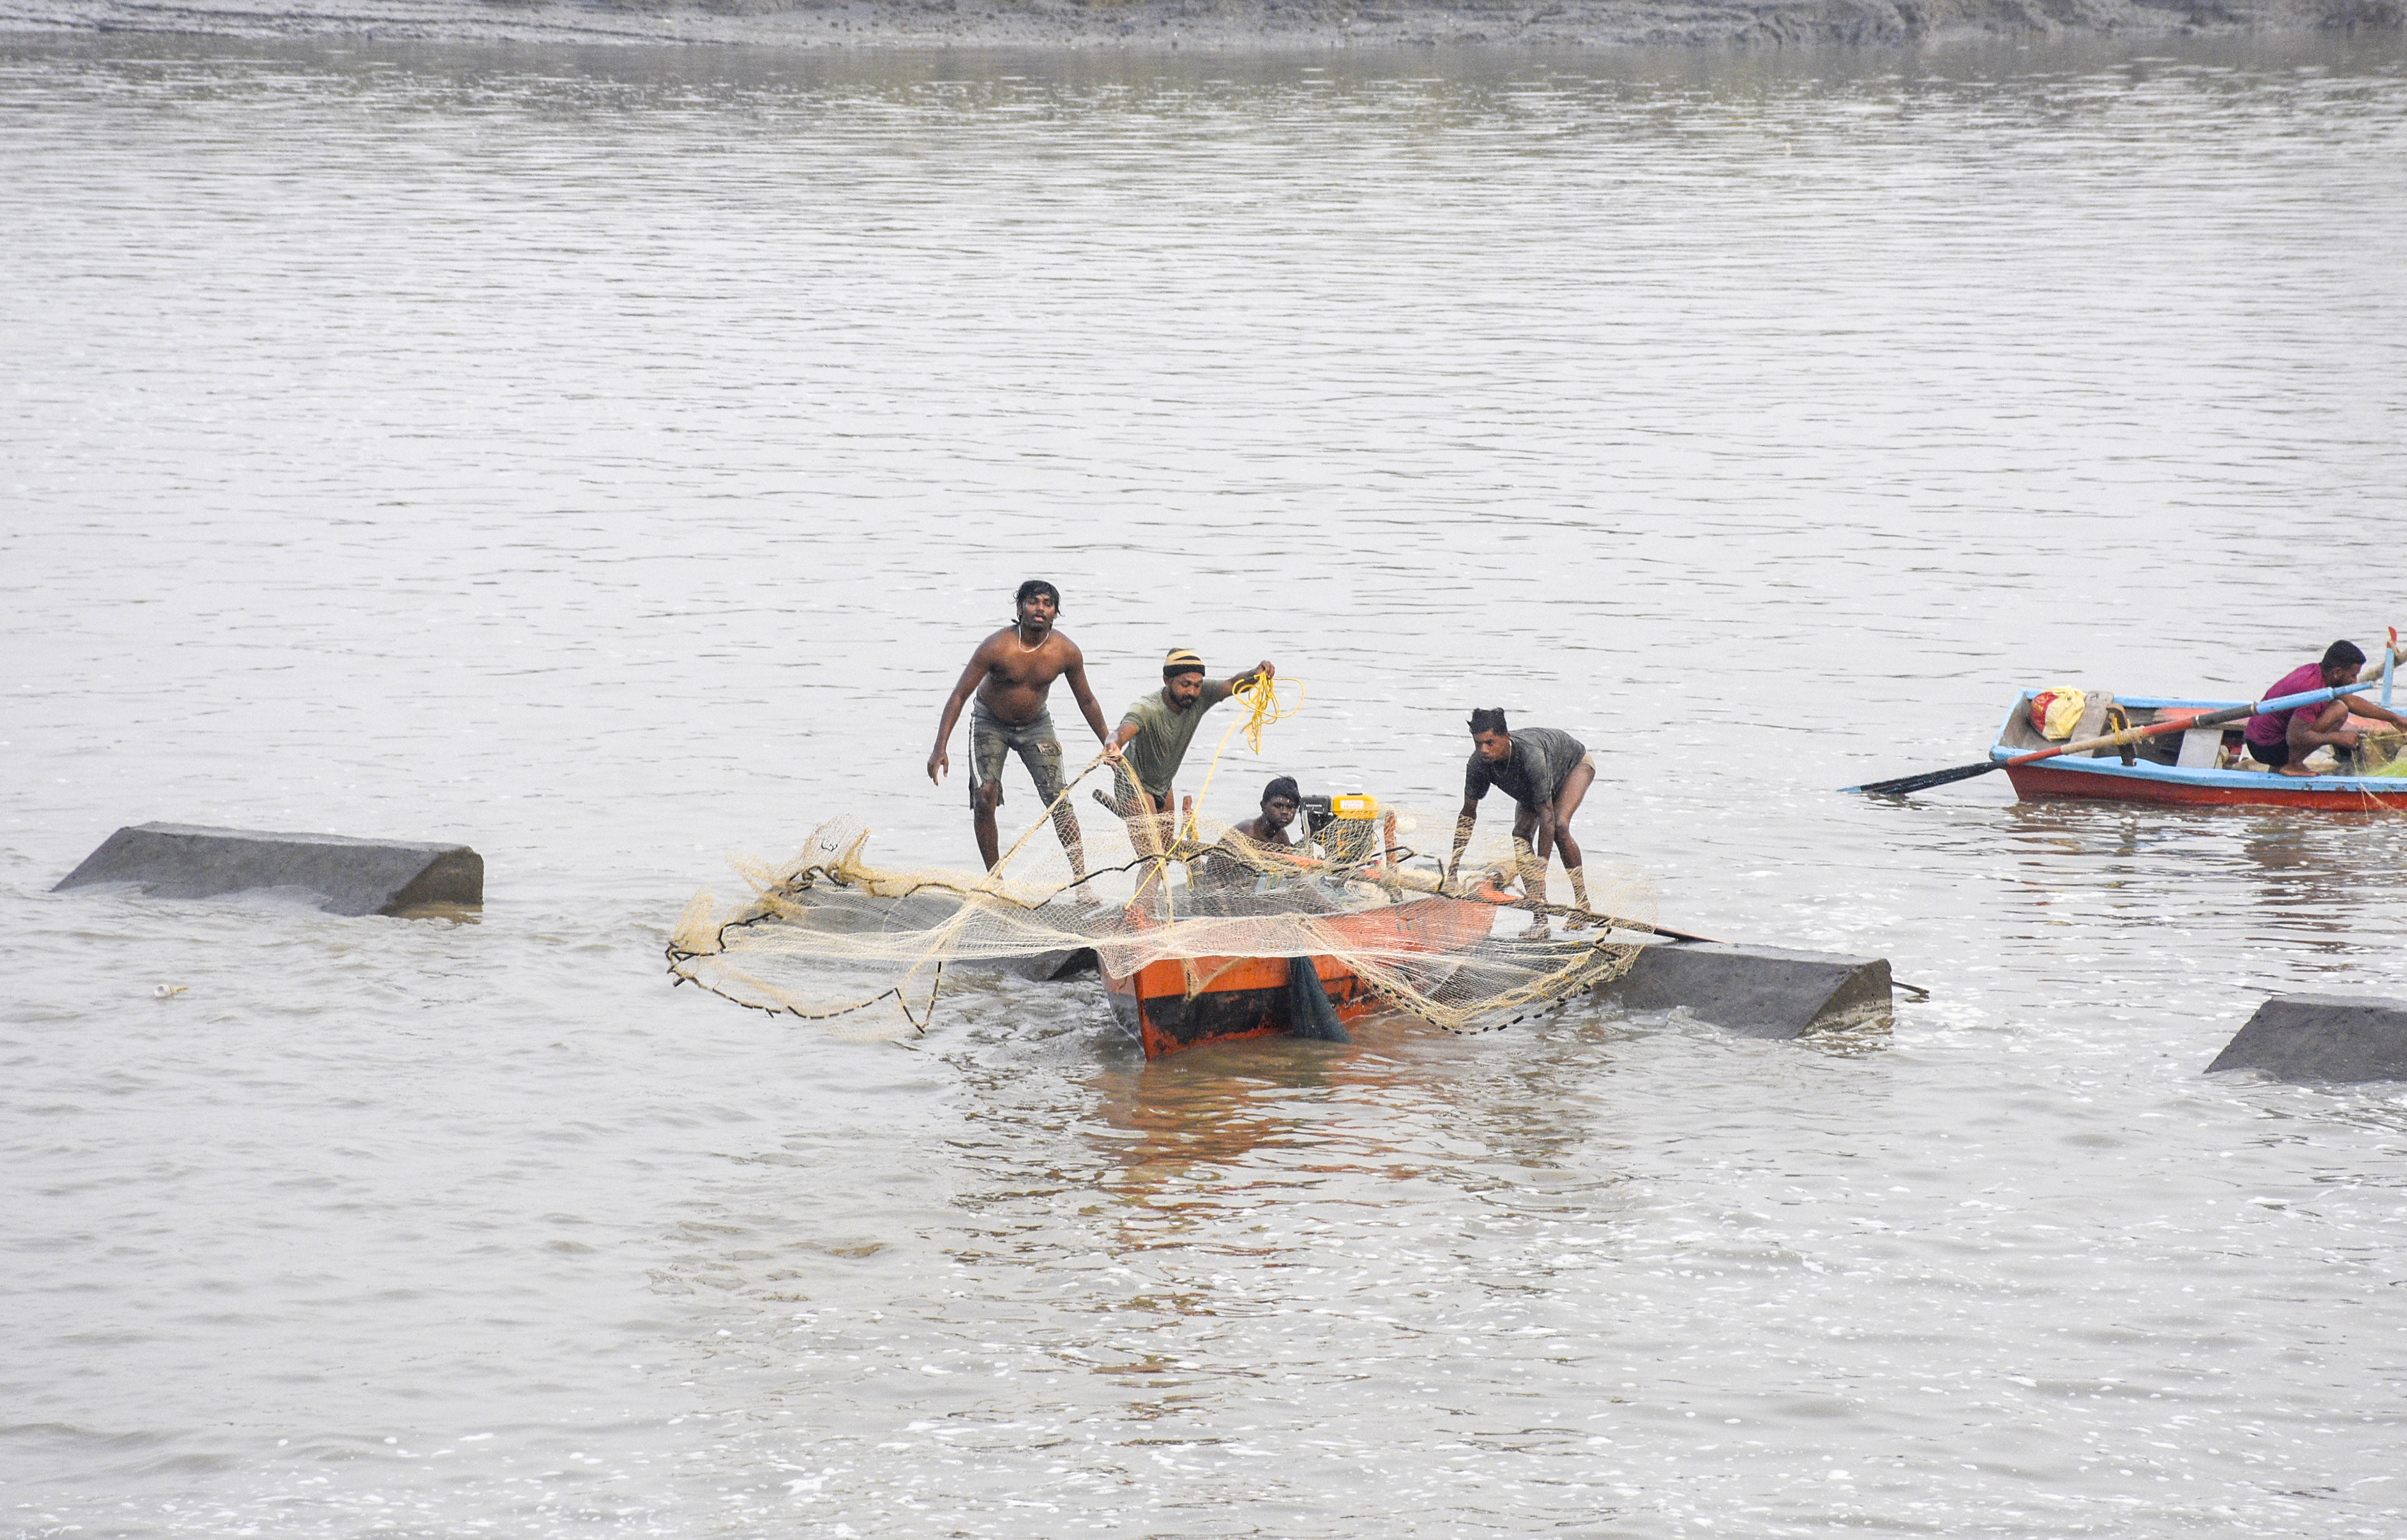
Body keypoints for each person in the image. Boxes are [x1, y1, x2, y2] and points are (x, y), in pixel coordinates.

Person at [927, 579, 1117, 875]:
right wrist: (940, 747)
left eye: (1048, 604)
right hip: (990, 722)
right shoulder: (997, 646)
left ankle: (1082, 879)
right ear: (1020, 609)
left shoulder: (1066, 652)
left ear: (1055, 613)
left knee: (1058, 798)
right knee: (984, 797)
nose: (1040, 609)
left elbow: (1087, 701)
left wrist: (1108, 741)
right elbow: (959, 695)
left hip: (1036, 725)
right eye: (1033, 602)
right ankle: (995, 878)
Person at [1447, 708, 1595, 938]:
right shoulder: (1478, 764)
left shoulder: (1531, 756)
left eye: (1490, 743)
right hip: (1533, 786)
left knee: (1560, 826)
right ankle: (1540, 918)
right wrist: (1452, 872)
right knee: (1521, 834)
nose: (1483, 750)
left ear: (1505, 738)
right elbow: (1468, 814)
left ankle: (1582, 906)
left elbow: (1547, 818)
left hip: (1572, 767)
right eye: (1478, 744)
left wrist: (1541, 869)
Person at [1107, 650, 1276, 818]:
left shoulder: (1201, 697)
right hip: (1134, 784)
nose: (1192, 692)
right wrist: (1114, 745)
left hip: (1163, 786)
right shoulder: (1147, 708)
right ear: (1167, 681)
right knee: (1150, 844)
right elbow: (1123, 731)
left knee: (1166, 845)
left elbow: (1233, 684)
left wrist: (1255, 674)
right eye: (1185, 685)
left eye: (1197, 685)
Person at [2243, 641, 2407, 777]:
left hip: (2264, 740)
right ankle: (2290, 765)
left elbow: (2352, 702)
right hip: (2265, 747)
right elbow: (2296, 737)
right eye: (2352, 675)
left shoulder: (2319, 673)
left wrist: (2394, 718)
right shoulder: (2312, 690)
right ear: (2337, 672)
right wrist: (2337, 738)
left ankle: (2283, 766)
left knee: (2342, 705)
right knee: (2339, 711)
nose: (2354, 680)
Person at [1194, 776, 1303, 896]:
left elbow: (1292, 874)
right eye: (1278, 806)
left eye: (1291, 807)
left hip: (1252, 894)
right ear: (1263, 806)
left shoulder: (1281, 837)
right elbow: (1212, 879)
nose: (1285, 812)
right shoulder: (1247, 833)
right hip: (1227, 897)